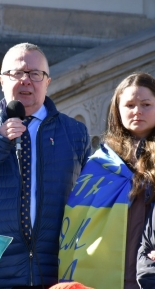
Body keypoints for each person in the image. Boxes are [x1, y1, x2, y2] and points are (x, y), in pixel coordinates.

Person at [0, 42, 91, 288]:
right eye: (17, 73)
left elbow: (89, 200)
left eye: (35, 74)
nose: (26, 80)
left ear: (47, 82)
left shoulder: (74, 132)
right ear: (2, 81)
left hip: (55, 270)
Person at [58, 72, 155, 289]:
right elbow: (78, 220)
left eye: (146, 104)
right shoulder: (100, 162)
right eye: (129, 105)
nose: (137, 111)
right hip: (104, 271)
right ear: (117, 111)